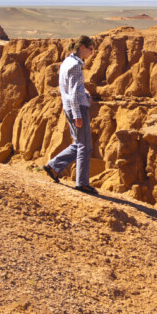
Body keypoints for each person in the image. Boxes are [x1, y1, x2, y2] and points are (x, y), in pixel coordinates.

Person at [43, 36, 98, 195]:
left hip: (70, 106)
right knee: (85, 146)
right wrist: (77, 115)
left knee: (79, 143)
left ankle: (53, 166)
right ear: (82, 47)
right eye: (90, 49)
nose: (91, 52)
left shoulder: (68, 61)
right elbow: (73, 92)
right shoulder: (75, 65)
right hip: (77, 108)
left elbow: (72, 87)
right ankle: (82, 183)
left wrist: (85, 92)